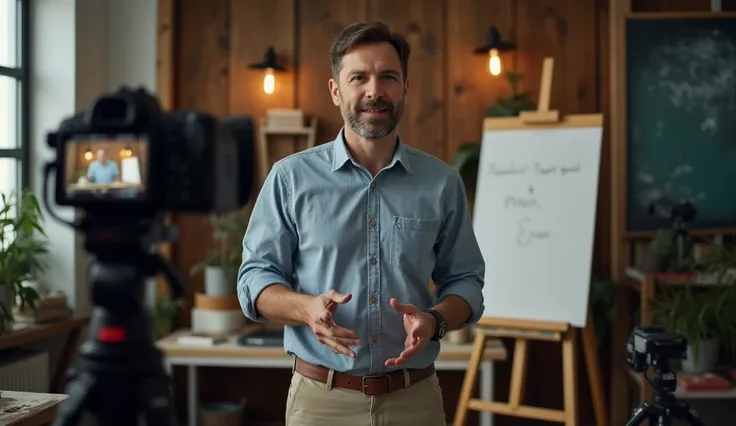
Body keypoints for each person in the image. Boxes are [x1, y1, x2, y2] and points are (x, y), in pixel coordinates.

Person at [238, 21, 485, 426]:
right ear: (336, 90)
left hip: (415, 402)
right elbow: (253, 280)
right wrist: (306, 309)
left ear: (404, 87)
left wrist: (435, 320)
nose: (375, 91)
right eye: (359, 78)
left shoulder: (442, 183)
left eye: (388, 77)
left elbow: (466, 281)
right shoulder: (289, 178)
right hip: (320, 402)